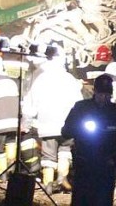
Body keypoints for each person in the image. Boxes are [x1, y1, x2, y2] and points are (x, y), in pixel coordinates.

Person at [61, 74, 116, 206]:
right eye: (101, 94)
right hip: (84, 165)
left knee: (103, 200)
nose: (104, 98)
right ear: (95, 92)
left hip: (106, 166)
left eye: (107, 95)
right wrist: (80, 129)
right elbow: (66, 131)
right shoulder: (81, 108)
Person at [25, 48, 83, 193]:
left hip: (47, 123)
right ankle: (62, 178)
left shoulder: (41, 78)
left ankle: (48, 184)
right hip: (67, 124)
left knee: (48, 154)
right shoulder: (69, 79)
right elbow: (79, 102)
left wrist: (28, 119)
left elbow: (31, 102)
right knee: (65, 150)